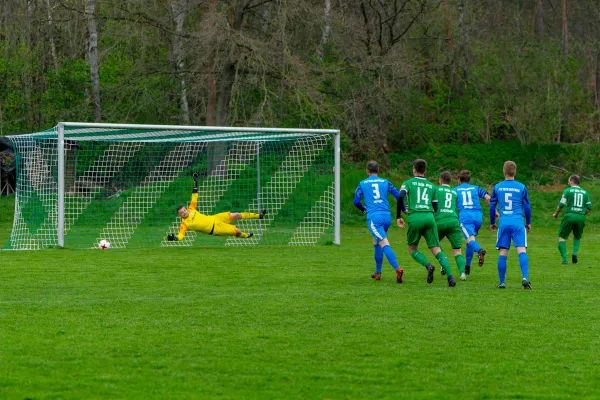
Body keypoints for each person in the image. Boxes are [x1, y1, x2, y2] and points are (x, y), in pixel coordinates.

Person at [396, 159, 456, 287]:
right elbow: (435, 207)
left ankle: (428, 265)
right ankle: (450, 278)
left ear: (414, 169)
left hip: (415, 218)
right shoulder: (432, 186)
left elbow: (400, 196)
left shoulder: (408, 183)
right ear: (425, 170)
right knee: (436, 249)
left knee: (412, 248)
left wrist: (399, 215)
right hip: (429, 217)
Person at [167, 173, 266, 241]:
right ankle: (246, 236)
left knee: (236, 215)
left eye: (184, 210)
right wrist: (175, 238)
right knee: (237, 231)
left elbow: (194, 197)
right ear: (179, 215)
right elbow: (181, 235)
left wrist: (195, 183)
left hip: (215, 218)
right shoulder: (184, 224)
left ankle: (259, 216)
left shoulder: (191, 209)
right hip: (215, 229)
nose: (184, 212)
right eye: (182, 213)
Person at [354, 160, 404, 283]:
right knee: (376, 242)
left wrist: (363, 209)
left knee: (383, 243)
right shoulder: (385, 182)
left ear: (367, 171)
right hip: (386, 216)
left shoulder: (362, 183)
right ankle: (378, 272)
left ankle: (397, 268)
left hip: (374, 218)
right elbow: (399, 196)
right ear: (378, 170)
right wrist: (403, 209)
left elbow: (356, 201)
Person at [489, 161, 532, 289]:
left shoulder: (497, 187)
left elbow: (492, 206)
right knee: (521, 250)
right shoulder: (521, 187)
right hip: (518, 222)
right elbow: (527, 206)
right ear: (515, 172)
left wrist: (492, 222)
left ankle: (502, 282)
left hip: (504, 223)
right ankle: (525, 277)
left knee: (503, 253)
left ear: (504, 171)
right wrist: (528, 222)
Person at [455, 170, 490, 275]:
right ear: (469, 180)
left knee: (470, 240)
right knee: (470, 240)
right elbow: (488, 198)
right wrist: (495, 211)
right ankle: (467, 267)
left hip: (466, 217)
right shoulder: (476, 188)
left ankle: (479, 251)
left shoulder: (455, 190)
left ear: (459, 180)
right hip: (478, 217)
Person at [553, 175, 592, 264]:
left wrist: (556, 214)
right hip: (580, 217)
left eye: (568, 181)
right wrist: (582, 213)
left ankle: (565, 260)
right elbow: (589, 207)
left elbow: (561, 204)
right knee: (577, 236)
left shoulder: (568, 190)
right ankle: (574, 253)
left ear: (571, 181)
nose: (568, 183)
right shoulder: (585, 192)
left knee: (562, 238)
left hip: (569, 216)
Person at [435, 172, 467, 281]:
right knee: (457, 250)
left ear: (440, 180)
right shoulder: (454, 193)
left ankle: (444, 262)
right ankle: (462, 274)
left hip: (439, 221)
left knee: (435, 245)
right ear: (450, 181)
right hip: (453, 221)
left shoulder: (436, 190)